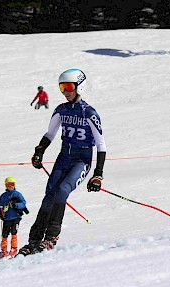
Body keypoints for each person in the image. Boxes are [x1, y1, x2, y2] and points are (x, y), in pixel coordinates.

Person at [19, 68, 106, 256]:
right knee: (49, 195)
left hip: (81, 160)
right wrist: (39, 152)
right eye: (62, 88)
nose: (65, 92)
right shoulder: (61, 110)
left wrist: (98, 174)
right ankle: (34, 240)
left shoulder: (89, 112)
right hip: (63, 157)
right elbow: (50, 134)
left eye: (69, 87)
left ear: (79, 87)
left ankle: (51, 237)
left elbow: (101, 144)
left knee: (62, 191)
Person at [0, 177, 29, 259]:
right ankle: (3, 250)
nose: (10, 186)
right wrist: (1, 214)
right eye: (8, 185)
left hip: (16, 217)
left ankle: (13, 249)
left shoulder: (17, 194)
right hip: (7, 218)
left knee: (14, 232)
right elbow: (0, 206)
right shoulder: (3, 196)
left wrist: (16, 205)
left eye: (12, 184)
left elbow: (23, 203)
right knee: (4, 234)